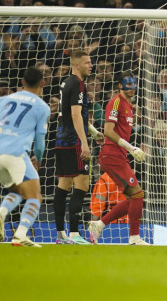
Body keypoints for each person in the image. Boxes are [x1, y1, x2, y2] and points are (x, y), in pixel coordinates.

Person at [88, 71, 148, 245]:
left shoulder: (129, 106)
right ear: (120, 85)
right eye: (127, 84)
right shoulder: (116, 102)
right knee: (138, 195)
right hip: (111, 155)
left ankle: (98, 225)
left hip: (118, 155)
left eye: (134, 84)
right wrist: (131, 148)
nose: (132, 88)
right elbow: (108, 131)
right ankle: (134, 238)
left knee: (134, 197)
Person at [53, 50, 103, 245]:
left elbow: (72, 115)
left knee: (63, 186)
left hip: (61, 140)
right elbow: (75, 115)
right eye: (87, 62)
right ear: (76, 65)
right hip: (73, 142)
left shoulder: (66, 82)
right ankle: (74, 234)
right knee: (82, 185)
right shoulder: (79, 84)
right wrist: (84, 142)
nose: (91, 65)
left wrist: (92, 132)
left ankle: (60, 235)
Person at [0, 67, 50, 247]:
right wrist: (38, 159)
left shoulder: (4, 100)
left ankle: (2, 211)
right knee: (35, 196)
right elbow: (39, 142)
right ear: (43, 83)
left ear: (22, 82)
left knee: (16, 191)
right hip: (16, 155)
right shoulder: (42, 107)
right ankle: (21, 234)